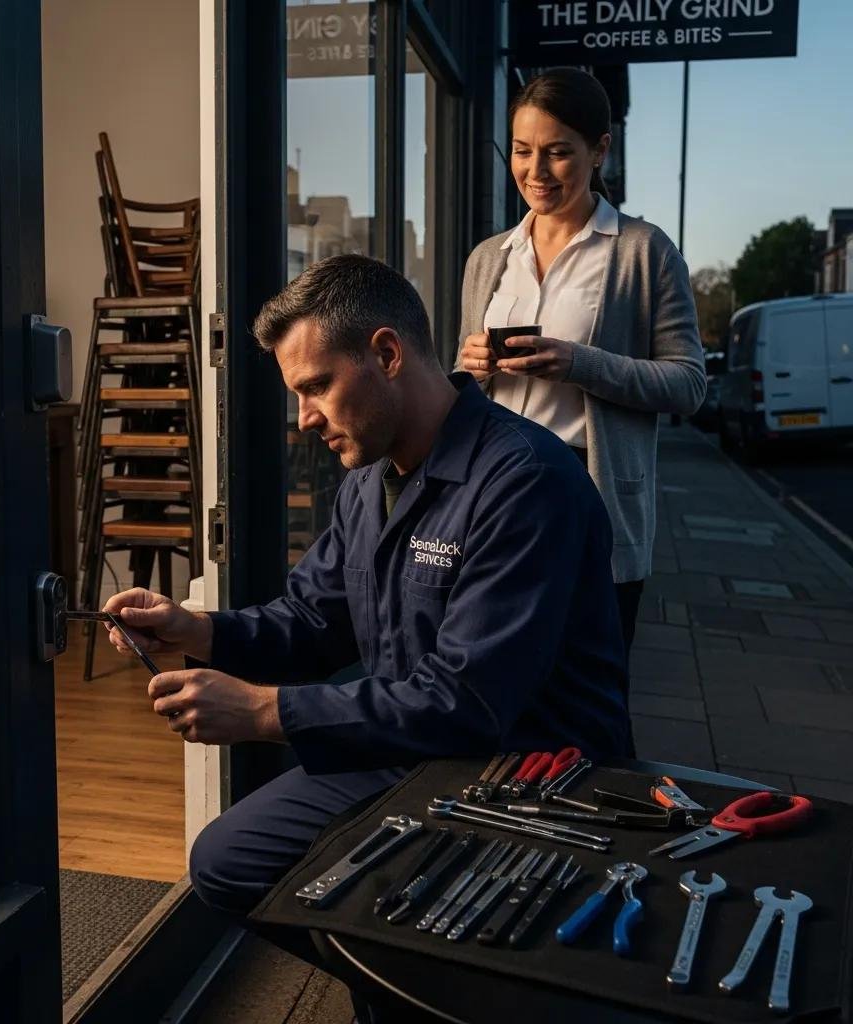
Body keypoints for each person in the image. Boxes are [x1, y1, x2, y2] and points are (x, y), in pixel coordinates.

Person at [104, 254, 629, 934]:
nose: (303, 420)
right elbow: (313, 621)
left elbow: (465, 700)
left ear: (386, 353)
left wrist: (266, 712)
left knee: (247, 862)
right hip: (412, 747)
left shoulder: (526, 483)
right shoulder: (365, 481)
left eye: (316, 386)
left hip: (525, 773)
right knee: (228, 860)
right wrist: (195, 631)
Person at [457, 67, 705, 669]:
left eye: (558, 153)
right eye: (522, 151)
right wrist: (469, 368)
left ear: (600, 150)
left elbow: (689, 383)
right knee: (494, 678)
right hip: (495, 492)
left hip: (587, 495)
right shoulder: (490, 257)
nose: (535, 172)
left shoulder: (644, 251)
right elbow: (464, 391)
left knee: (587, 693)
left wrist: (581, 363)